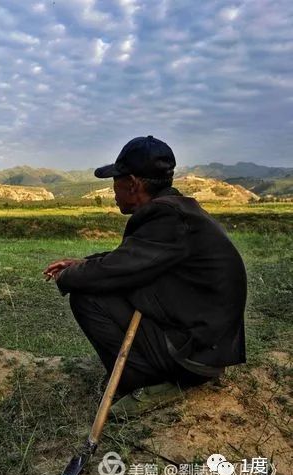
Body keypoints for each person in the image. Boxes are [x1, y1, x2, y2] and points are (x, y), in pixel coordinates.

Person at [44, 136, 247, 418]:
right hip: (204, 344)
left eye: (115, 182)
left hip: (194, 355)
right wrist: (82, 263)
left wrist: (70, 276)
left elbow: (114, 271)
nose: (113, 191)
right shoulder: (176, 212)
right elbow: (130, 258)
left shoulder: (168, 218)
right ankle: (153, 368)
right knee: (100, 283)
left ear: (133, 184)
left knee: (87, 296)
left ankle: (147, 381)